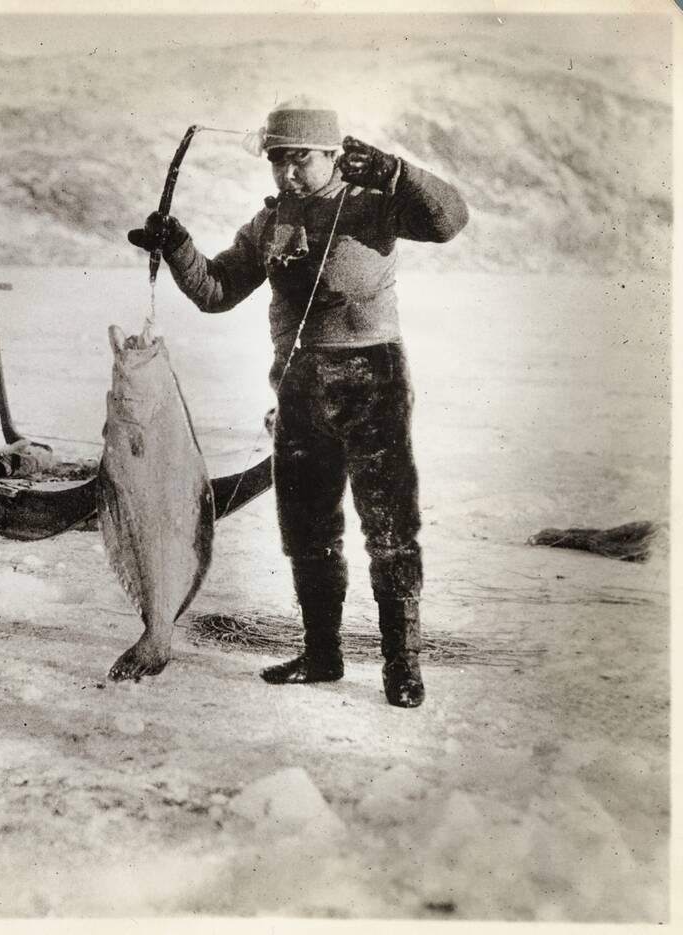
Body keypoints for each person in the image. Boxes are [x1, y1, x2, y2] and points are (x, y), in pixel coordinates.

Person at [127, 103, 469, 707]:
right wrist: (178, 247)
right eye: (278, 160)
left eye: (300, 159)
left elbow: (448, 221)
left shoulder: (375, 202)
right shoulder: (269, 225)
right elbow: (217, 290)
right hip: (298, 387)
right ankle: (321, 654)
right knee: (307, 530)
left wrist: (397, 171)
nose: (288, 173)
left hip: (372, 381)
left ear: (332, 154)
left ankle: (403, 666)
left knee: (390, 529)